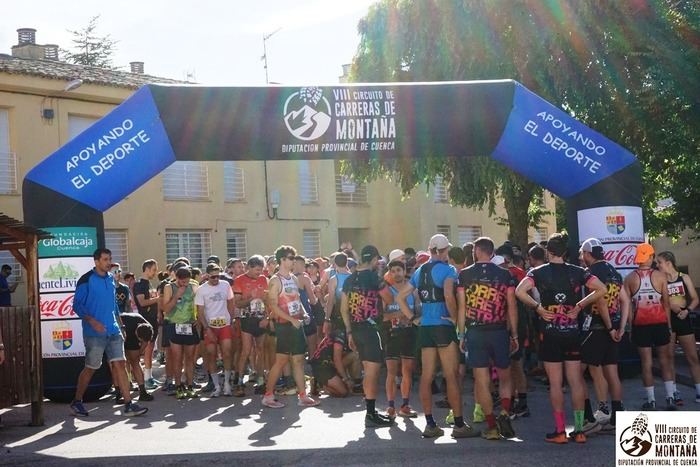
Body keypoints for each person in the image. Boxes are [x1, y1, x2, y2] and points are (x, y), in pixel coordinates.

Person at [515, 233, 606, 444]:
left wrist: (538, 308)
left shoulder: (537, 272)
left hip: (550, 333)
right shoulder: (578, 271)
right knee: (576, 381)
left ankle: (560, 431)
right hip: (572, 332)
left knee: (555, 384)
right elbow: (601, 288)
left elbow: (520, 291)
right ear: (565, 252)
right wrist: (579, 306)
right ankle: (580, 430)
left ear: (548, 252)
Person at [399, 234, 476, 439]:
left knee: (427, 376)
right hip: (443, 326)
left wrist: (412, 318)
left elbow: (400, 296)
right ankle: (459, 424)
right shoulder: (448, 270)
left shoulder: (419, 271)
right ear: (443, 251)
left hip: (425, 327)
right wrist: (453, 318)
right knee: (451, 375)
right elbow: (450, 295)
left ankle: (430, 424)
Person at [69, 248, 148, 417]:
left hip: (113, 330)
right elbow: (76, 305)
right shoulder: (86, 280)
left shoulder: (112, 279)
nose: (108, 262)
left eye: (110, 259)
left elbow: (114, 307)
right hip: (93, 333)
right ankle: (77, 401)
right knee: (91, 368)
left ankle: (128, 404)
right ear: (96, 261)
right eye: (105, 259)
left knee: (120, 364)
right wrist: (92, 321)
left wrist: (122, 327)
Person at [458, 237, 518, 440]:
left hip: (475, 331)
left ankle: (492, 426)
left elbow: (462, 307)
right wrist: (515, 334)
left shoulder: (464, 274)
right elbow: (512, 306)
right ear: (492, 252)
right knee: (505, 376)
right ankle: (505, 412)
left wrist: (461, 333)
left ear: (476, 250)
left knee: (481, 380)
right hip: (499, 330)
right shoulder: (505, 274)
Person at [578, 238, 630, 434]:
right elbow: (625, 300)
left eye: (583, 254)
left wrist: (609, 327)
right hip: (615, 327)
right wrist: (622, 327)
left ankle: (588, 418)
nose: (582, 257)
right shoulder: (614, 272)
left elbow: (599, 301)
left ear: (588, 254)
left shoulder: (591, 273)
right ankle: (617, 417)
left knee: (576, 372)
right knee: (612, 372)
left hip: (597, 327)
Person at [341, 245, 393, 427]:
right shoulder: (373, 277)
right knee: (372, 373)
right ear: (373, 260)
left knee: (367, 371)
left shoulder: (350, 278)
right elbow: (389, 299)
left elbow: (343, 308)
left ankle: (371, 412)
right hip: (371, 329)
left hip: (355, 329)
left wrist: (348, 331)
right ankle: (370, 414)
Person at [262, 245, 319, 408]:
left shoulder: (294, 278)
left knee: (299, 360)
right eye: (291, 258)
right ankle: (268, 395)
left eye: (294, 258)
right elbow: (273, 306)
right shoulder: (275, 280)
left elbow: (296, 300)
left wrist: (303, 313)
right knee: (281, 361)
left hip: (296, 324)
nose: (294, 261)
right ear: (282, 260)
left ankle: (303, 395)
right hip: (285, 326)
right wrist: (290, 319)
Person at [623, 243, 676, 411]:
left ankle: (651, 400)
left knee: (646, 363)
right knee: (665, 361)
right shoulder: (661, 277)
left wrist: (630, 328)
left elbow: (628, 307)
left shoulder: (630, 278)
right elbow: (666, 304)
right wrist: (668, 326)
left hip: (641, 325)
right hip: (660, 323)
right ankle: (670, 398)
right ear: (651, 257)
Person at [657, 250, 700, 404]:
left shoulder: (684, 277)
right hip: (668, 320)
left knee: (692, 357)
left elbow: (695, 299)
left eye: (659, 262)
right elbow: (659, 301)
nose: (657, 265)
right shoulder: (660, 280)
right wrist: (670, 306)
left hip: (683, 318)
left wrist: (687, 311)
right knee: (669, 358)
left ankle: (699, 391)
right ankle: (675, 392)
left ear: (668, 263)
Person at [383, 260, 419, 418]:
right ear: (389, 273)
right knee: (391, 371)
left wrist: (411, 317)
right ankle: (390, 406)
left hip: (409, 333)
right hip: (392, 333)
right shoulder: (387, 292)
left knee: (407, 371)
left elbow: (418, 312)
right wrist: (400, 315)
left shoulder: (412, 290)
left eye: (399, 270)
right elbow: (382, 316)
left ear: (404, 271)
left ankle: (405, 405)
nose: (396, 273)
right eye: (393, 271)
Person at [196, 263, 235, 397]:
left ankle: (227, 384)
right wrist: (207, 329)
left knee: (227, 353)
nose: (216, 279)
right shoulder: (202, 290)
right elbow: (200, 312)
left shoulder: (225, 285)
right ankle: (216, 385)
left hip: (224, 324)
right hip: (210, 326)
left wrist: (231, 319)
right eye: (213, 277)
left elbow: (231, 301)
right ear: (207, 276)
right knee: (211, 354)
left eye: (218, 276)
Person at [233, 255, 270, 396]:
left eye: (261, 270)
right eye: (256, 270)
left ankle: (260, 381)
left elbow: (268, 301)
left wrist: (267, 317)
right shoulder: (239, 280)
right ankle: (239, 382)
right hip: (247, 319)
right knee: (246, 351)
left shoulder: (264, 279)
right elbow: (237, 303)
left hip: (261, 319)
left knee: (261, 350)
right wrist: (250, 299)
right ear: (249, 267)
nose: (259, 273)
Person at [162, 266, 200, 400]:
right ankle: (178, 386)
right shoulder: (169, 287)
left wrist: (198, 319)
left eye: (187, 281)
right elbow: (165, 309)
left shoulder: (193, 286)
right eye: (182, 281)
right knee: (177, 358)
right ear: (177, 278)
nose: (184, 284)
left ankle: (189, 386)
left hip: (189, 325)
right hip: (174, 325)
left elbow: (200, 304)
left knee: (189, 358)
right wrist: (177, 295)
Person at [133, 259, 161, 390]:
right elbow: (142, 302)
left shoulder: (149, 284)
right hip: (145, 322)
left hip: (153, 321)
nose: (155, 272)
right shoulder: (139, 284)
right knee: (147, 350)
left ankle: (149, 376)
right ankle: (145, 378)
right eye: (154, 269)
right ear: (147, 269)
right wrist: (158, 299)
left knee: (150, 350)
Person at [121, 312, 155, 401]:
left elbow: (146, 342)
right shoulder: (126, 324)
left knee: (135, 362)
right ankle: (123, 388)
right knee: (121, 362)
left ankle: (143, 391)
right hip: (122, 332)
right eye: (139, 339)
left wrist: (138, 353)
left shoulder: (148, 328)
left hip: (133, 335)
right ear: (136, 332)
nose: (140, 341)